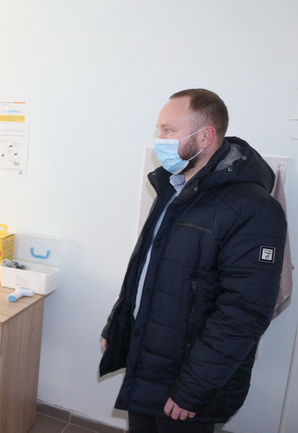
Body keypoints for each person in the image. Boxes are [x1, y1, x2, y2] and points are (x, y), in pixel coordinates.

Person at [99, 89, 287, 433]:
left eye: (169, 130)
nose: (160, 140)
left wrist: (192, 389)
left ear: (206, 136)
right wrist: (119, 325)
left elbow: (243, 312)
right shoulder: (173, 188)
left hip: (189, 380)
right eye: (159, 129)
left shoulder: (253, 208)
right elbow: (146, 268)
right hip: (150, 362)